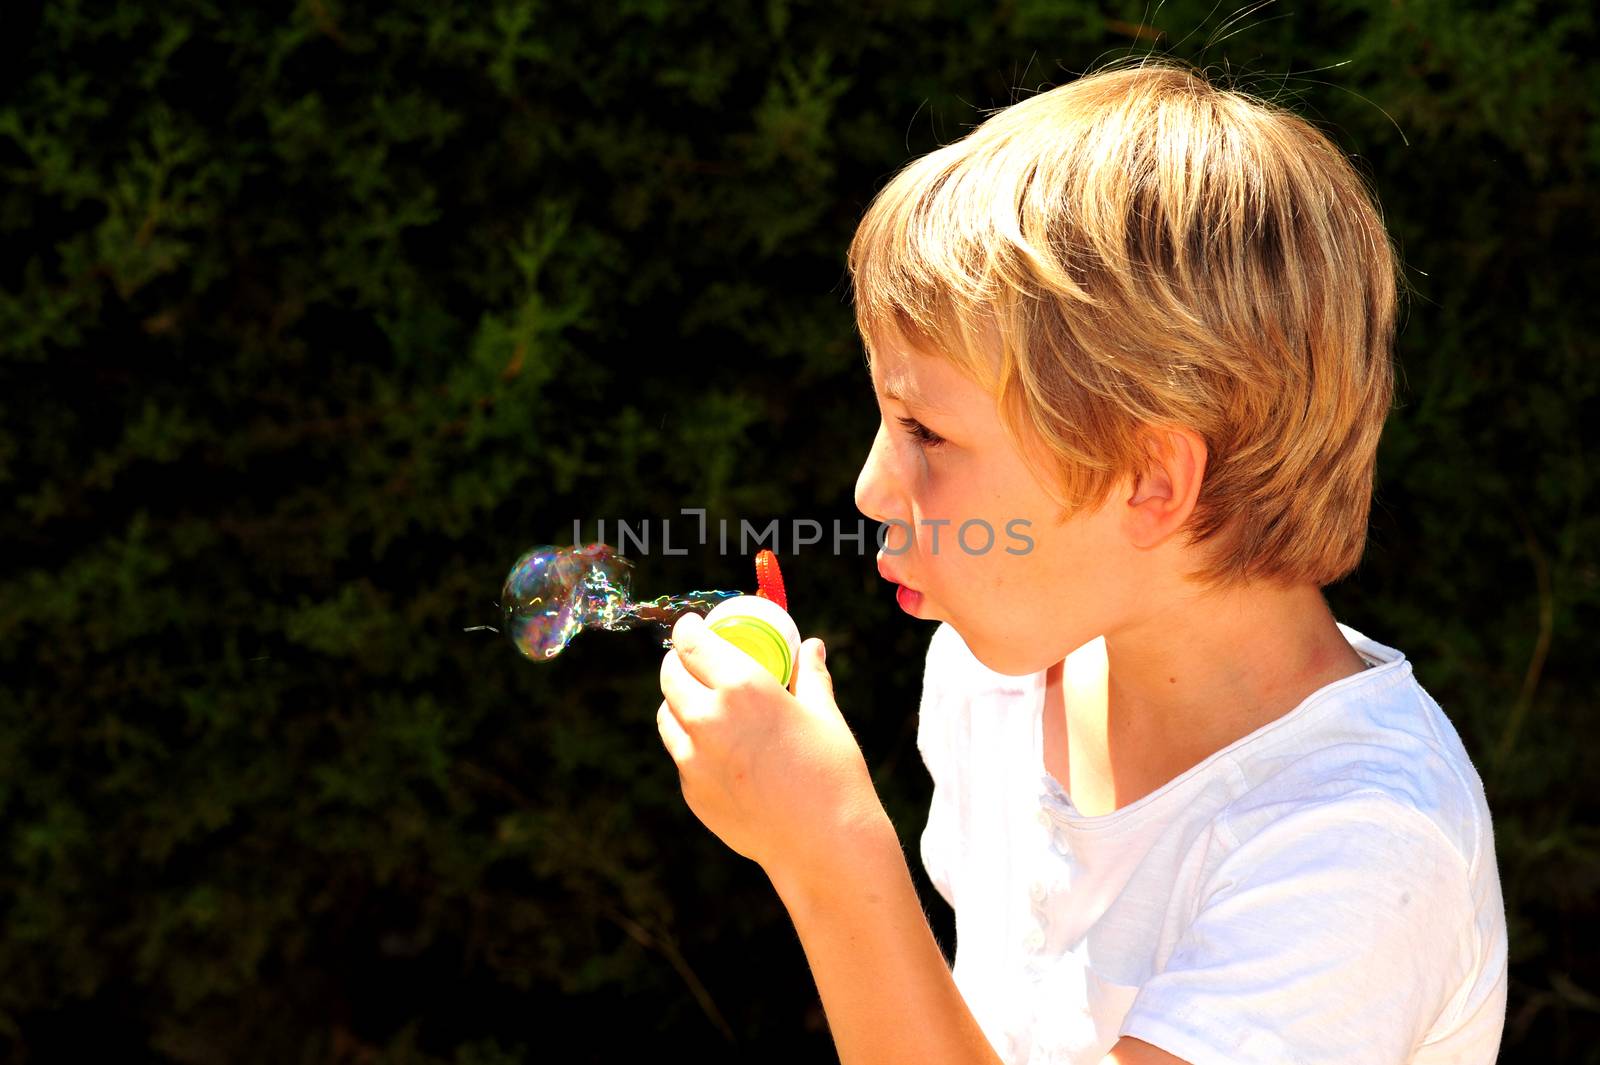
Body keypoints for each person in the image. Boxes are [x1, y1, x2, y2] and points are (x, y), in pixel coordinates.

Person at [656, 58, 1508, 1065]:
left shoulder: (1354, 852)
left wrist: (833, 859)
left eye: (925, 430)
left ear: (1151, 482)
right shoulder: (997, 681)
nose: (870, 488)